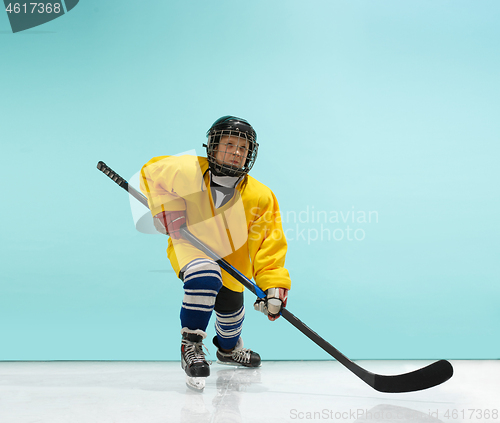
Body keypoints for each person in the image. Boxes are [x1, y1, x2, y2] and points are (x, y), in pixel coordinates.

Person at [140, 116, 291, 383]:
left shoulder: (261, 195)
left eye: (243, 148)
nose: (236, 152)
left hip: (234, 264)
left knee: (231, 314)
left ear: (250, 155)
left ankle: (229, 349)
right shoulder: (187, 170)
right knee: (204, 275)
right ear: (213, 145)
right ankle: (191, 346)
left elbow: (269, 244)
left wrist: (273, 286)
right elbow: (151, 171)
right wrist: (164, 206)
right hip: (190, 246)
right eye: (229, 144)